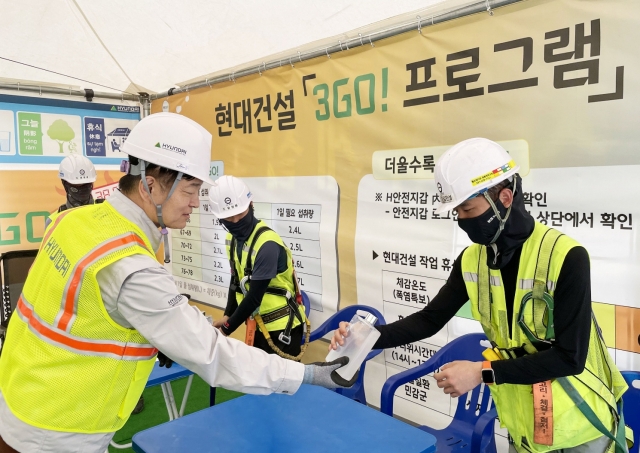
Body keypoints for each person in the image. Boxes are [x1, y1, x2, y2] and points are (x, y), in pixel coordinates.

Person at [0, 112, 354, 453]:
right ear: (150, 185)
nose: (195, 205)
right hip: (58, 428)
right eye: (190, 191)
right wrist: (305, 376)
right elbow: (212, 354)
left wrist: (174, 326)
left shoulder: (73, 222)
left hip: (22, 396)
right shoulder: (129, 265)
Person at [331, 138, 630, 453]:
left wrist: (480, 372)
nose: (461, 219)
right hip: (525, 426)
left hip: (582, 429)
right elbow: (430, 319)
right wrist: (366, 336)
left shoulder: (566, 257)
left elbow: (570, 358)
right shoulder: (472, 260)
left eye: (467, 208)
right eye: (456, 211)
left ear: (504, 197)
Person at [208, 176, 309, 361]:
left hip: (282, 330)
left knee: (282, 386)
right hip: (258, 325)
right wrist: (228, 314)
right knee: (260, 384)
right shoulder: (231, 240)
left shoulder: (267, 245)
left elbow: (254, 298)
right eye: (229, 218)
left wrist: (226, 329)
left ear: (251, 204)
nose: (237, 220)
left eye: (241, 213)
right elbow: (236, 281)